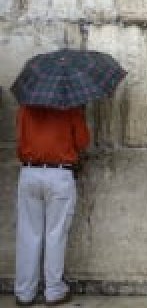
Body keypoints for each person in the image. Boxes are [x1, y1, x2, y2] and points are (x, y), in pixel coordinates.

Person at [15, 105, 89, 306]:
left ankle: (24, 292)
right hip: (59, 173)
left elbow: (19, 142)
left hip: (29, 172)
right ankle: (54, 290)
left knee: (28, 234)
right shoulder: (70, 108)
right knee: (56, 234)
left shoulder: (25, 108)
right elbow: (83, 141)